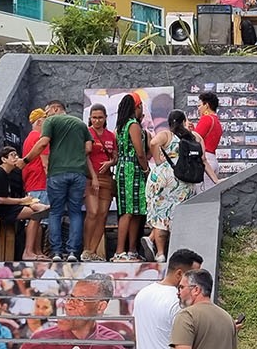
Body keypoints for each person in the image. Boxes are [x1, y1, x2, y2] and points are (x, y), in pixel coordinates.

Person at [14, 273, 133, 349]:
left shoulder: (112, 347)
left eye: (80, 300)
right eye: (71, 298)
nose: (69, 305)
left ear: (100, 307)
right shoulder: (36, 346)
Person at [23, 102, 95, 263]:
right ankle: (72, 253)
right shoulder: (80, 124)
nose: (46, 115)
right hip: (78, 173)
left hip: (57, 173)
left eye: (47, 111)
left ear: (56, 109)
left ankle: (56, 252)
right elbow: (89, 148)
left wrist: (25, 160)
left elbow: (42, 144)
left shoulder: (51, 122)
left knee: (56, 212)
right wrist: (74, 156)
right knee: (75, 212)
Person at [145, 110, 218, 263]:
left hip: (164, 177)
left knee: (161, 216)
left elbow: (152, 142)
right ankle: (177, 250)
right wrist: (216, 180)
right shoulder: (195, 137)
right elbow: (203, 160)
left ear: (169, 122)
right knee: (178, 215)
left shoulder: (167, 135)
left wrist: (158, 160)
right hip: (185, 179)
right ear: (185, 121)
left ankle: (160, 253)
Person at [0, 145, 50, 261]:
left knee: (37, 211)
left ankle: (34, 251)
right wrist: (21, 201)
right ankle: (28, 252)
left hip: (7, 207)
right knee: (35, 214)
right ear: (3, 159)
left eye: (17, 155)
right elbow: (1, 199)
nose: (16, 157)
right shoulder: (0, 173)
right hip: (0, 209)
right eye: (12, 155)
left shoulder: (8, 174)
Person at [112, 94, 149, 262]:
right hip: (131, 169)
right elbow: (140, 152)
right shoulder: (133, 125)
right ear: (136, 107)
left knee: (136, 211)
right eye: (140, 105)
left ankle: (132, 250)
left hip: (125, 167)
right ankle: (120, 251)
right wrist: (146, 169)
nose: (142, 109)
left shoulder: (120, 126)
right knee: (128, 211)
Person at [81, 104, 118, 262]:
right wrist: (93, 176)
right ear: (90, 118)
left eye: (100, 118)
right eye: (94, 117)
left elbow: (115, 157)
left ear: (105, 118)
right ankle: (85, 249)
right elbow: (85, 156)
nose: (97, 120)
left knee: (103, 215)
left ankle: (92, 251)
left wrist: (110, 163)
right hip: (91, 178)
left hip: (107, 178)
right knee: (93, 212)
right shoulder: (86, 133)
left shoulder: (111, 135)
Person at [20, 107, 52, 259]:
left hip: (32, 182)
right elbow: (45, 162)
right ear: (40, 121)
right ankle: (29, 251)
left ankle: (37, 251)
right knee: (36, 217)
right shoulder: (40, 137)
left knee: (40, 220)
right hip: (40, 182)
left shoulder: (29, 137)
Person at [193, 92, 224, 194]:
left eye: (199, 105)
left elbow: (195, 140)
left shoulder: (206, 119)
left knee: (201, 199)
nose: (198, 109)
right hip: (213, 160)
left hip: (204, 162)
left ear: (206, 105)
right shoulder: (217, 122)